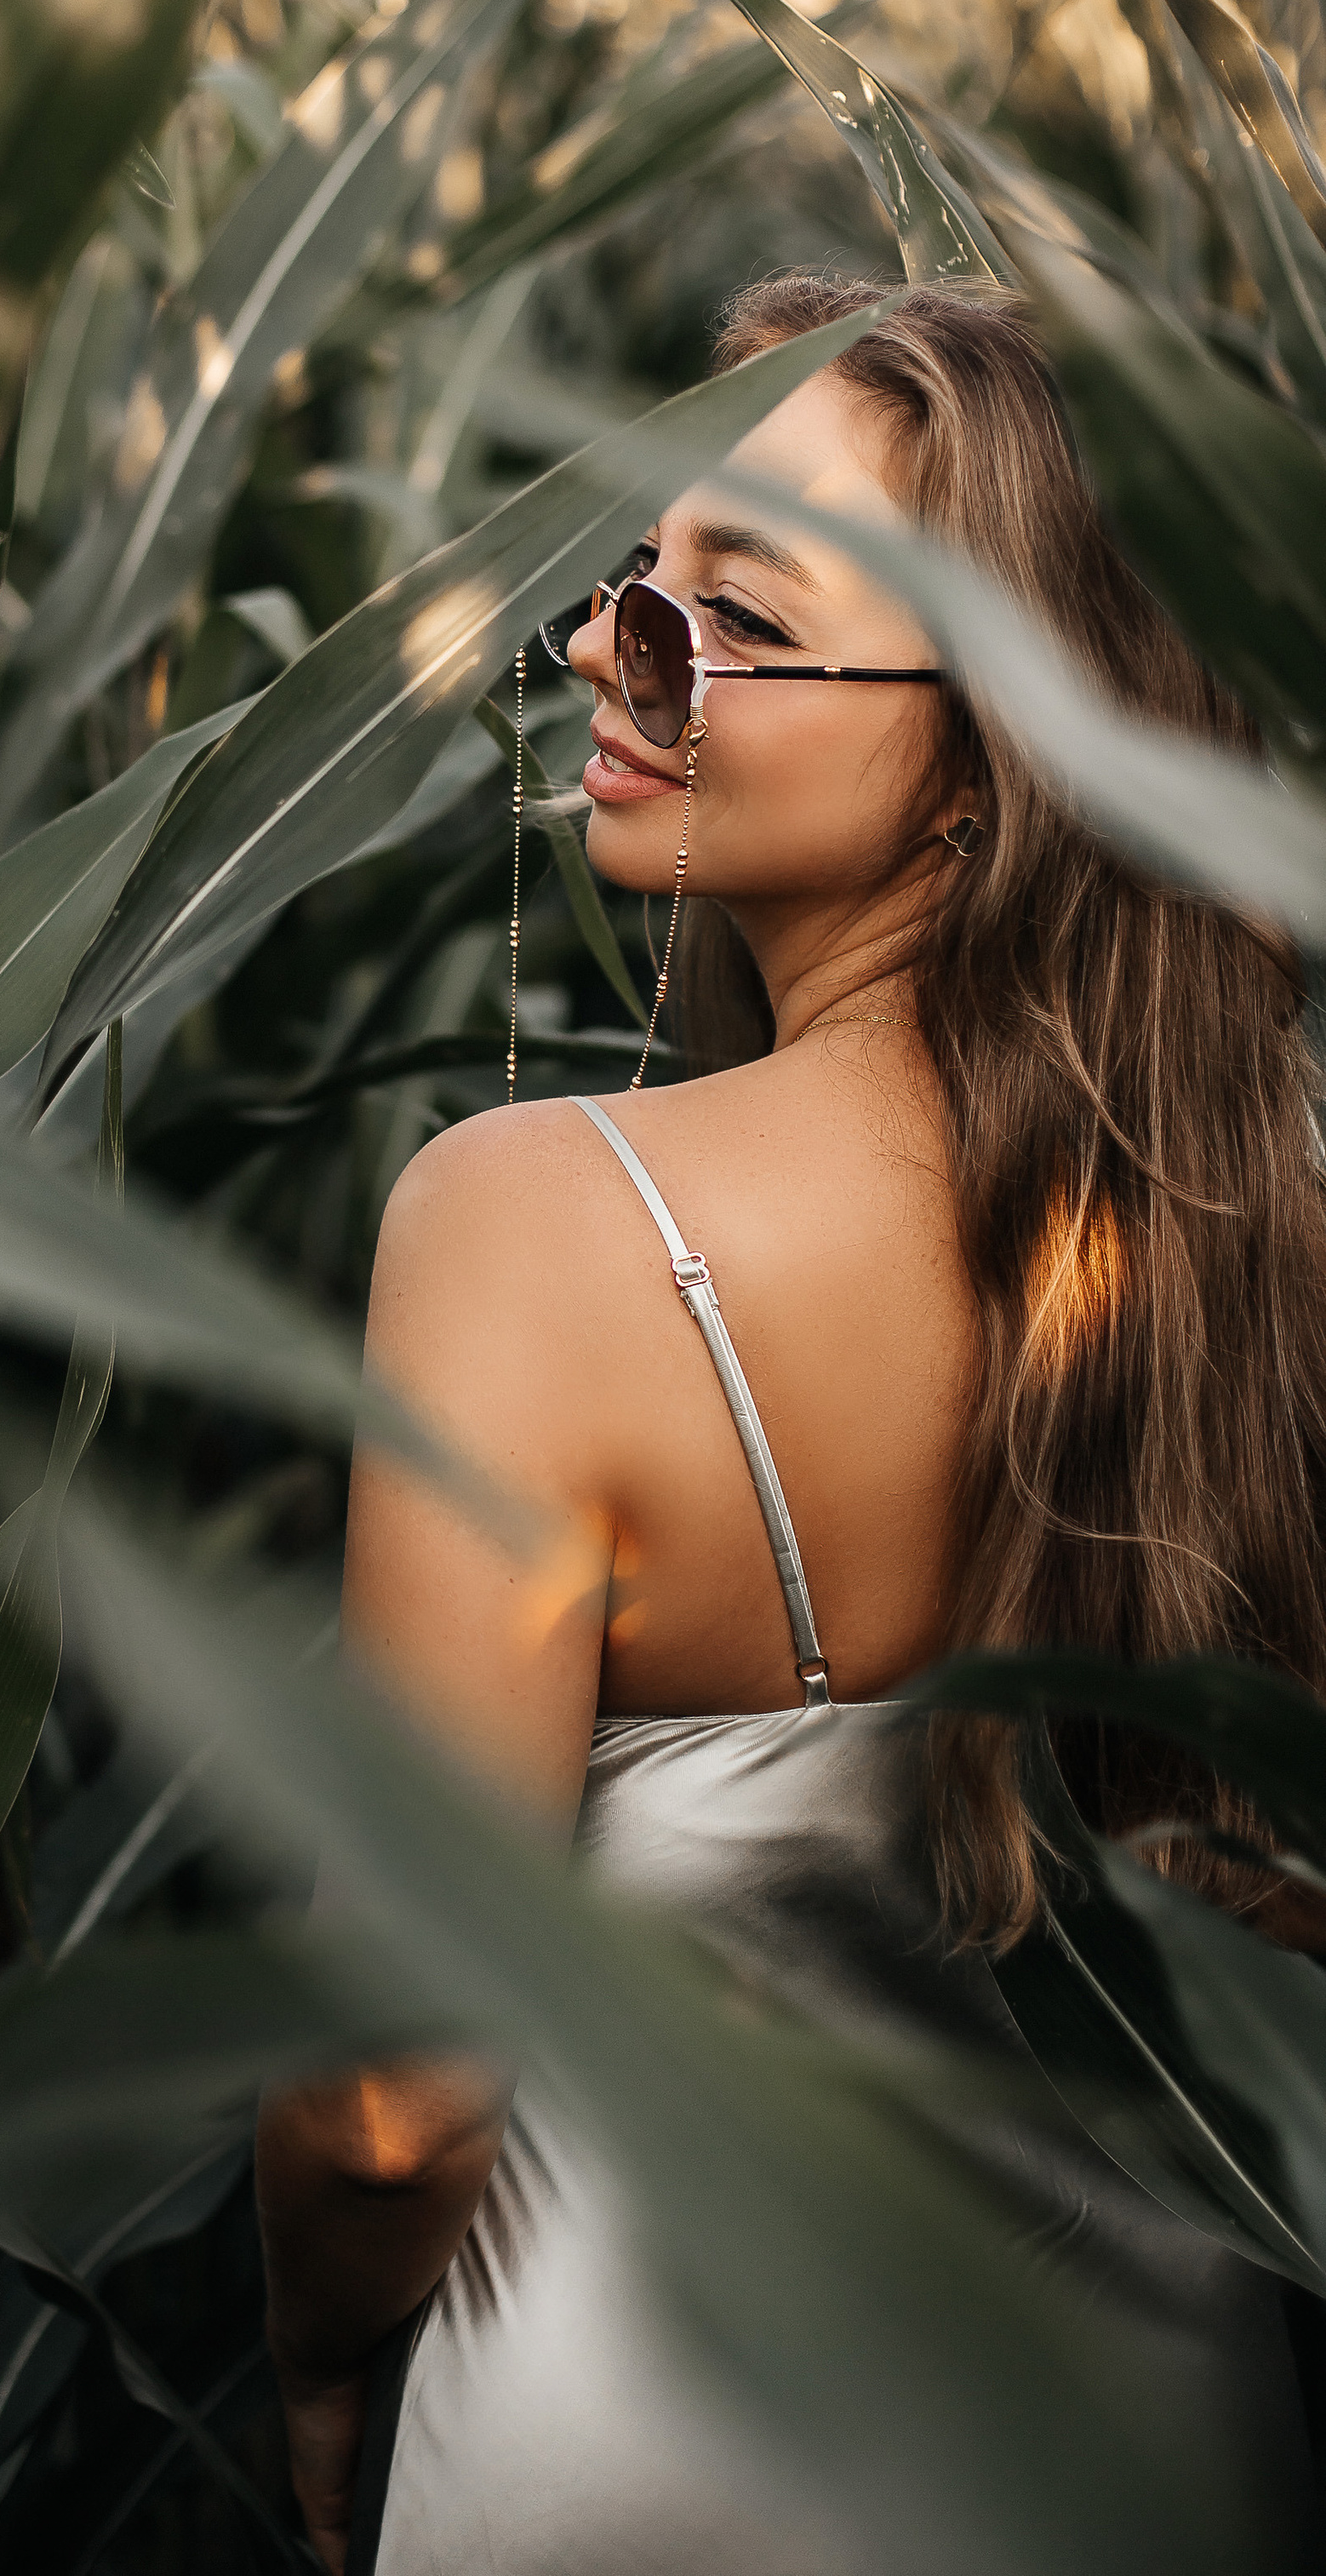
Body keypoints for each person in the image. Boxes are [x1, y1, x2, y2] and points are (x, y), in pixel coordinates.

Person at [254, 274, 1326, 2574]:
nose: (603, 657)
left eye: (729, 623)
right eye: (629, 587)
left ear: (996, 749)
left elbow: (385, 2101)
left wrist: (320, 2363)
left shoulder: (536, 1229)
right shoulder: (1275, 1263)